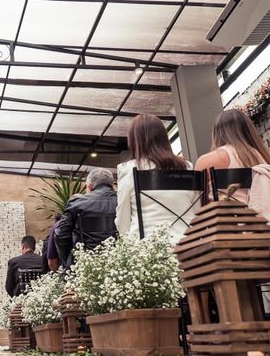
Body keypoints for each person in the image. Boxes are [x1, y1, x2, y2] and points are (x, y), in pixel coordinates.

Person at [115, 114, 196, 244]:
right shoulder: (187, 166)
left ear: (135, 141)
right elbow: (196, 209)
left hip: (146, 247)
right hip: (187, 244)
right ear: (164, 137)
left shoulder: (128, 169)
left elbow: (123, 219)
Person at [195, 108, 270, 203]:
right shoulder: (263, 157)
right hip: (263, 216)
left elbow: (197, 203)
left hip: (228, 216)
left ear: (216, 133)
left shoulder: (206, 160)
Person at [54, 168, 117, 269]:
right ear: (112, 185)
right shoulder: (124, 203)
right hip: (118, 265)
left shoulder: (77, 203)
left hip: (85, 266)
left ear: (90, 186)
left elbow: (60, 235)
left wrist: (69, 260)